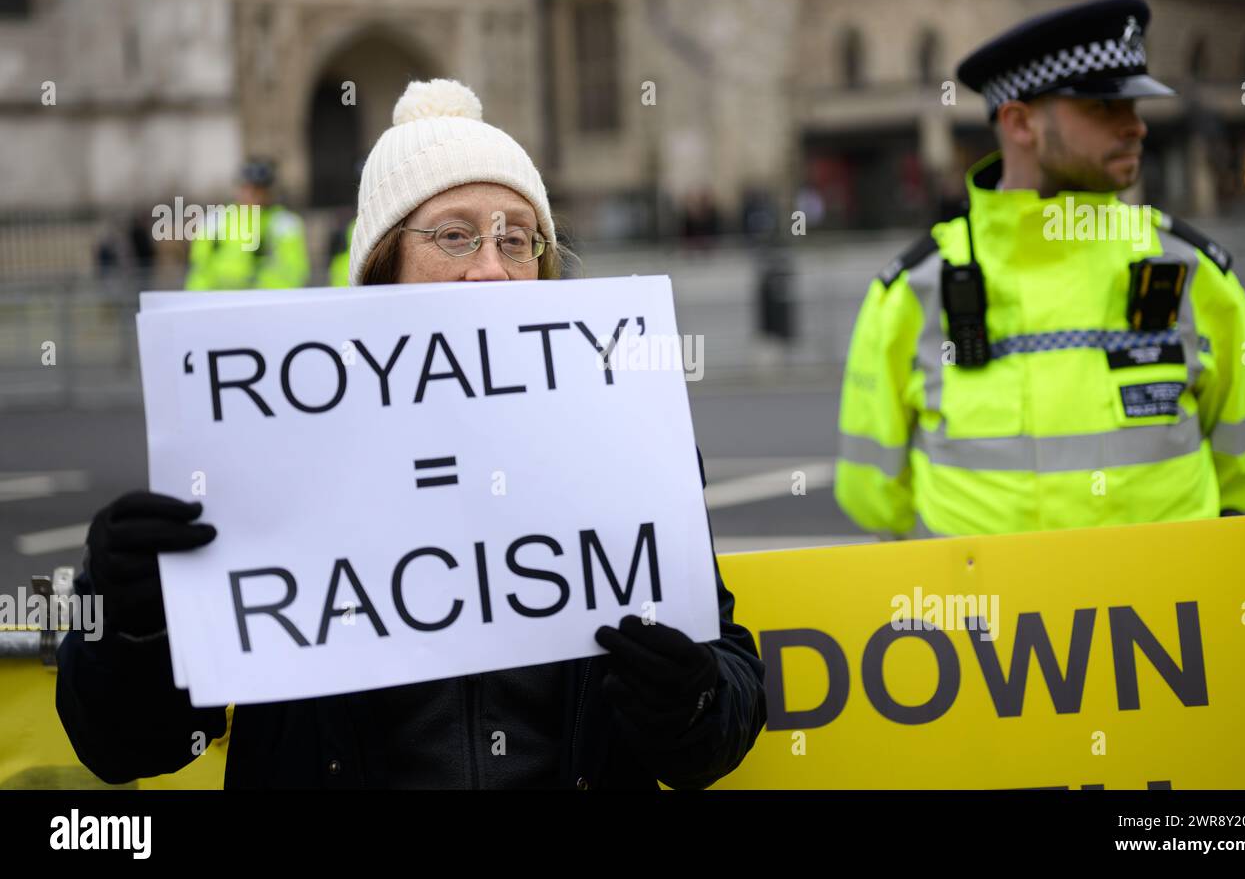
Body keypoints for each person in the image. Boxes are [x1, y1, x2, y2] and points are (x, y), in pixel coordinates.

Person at [57, 79, 767, 789]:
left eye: (516, 239)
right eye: (454, 236)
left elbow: (725, 708)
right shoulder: (262, 456)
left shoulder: (629, 445)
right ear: (382, 267)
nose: (491, 268)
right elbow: (128, 749)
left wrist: (692, 698)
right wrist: (132, 625)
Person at [834, 0, 1245, 537]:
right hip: (986, 620)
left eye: (1136, 106)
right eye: (1105, 106)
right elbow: (870, 494)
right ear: (1020, 123)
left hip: (1156, 620)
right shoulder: (914, 291)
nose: (1136, 127)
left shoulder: (1193, 273)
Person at [185, 159, 310, 291]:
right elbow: (199, 271)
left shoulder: (285, 224)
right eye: (246, 188)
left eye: (257, 189)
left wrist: (253, 293)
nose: (250, 194)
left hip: (263, 302)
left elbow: (294, 272)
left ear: (268, 192)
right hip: (218, 302)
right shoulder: (214, 220)